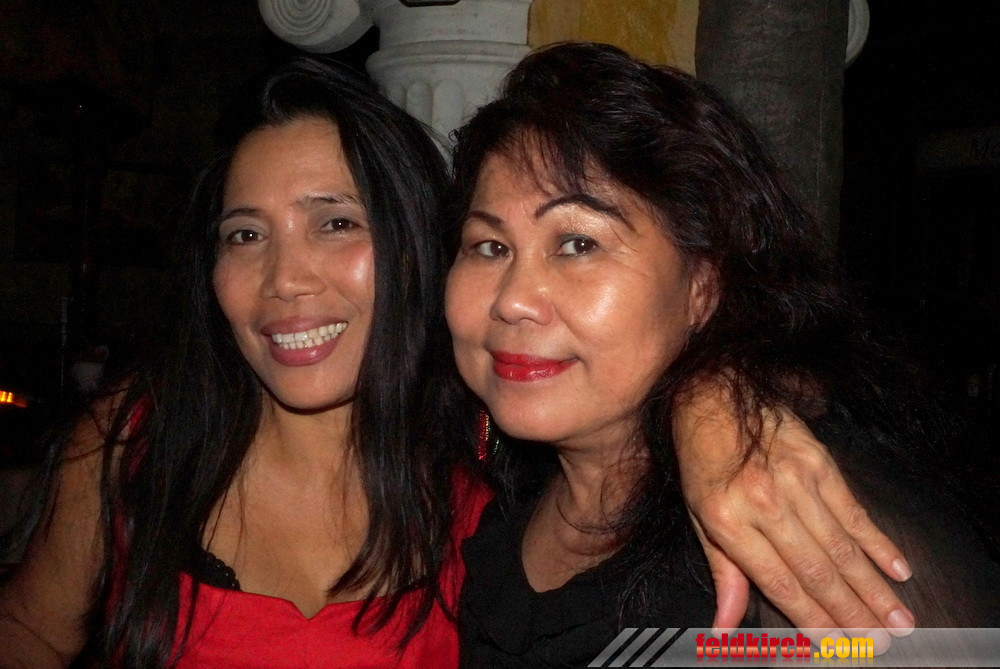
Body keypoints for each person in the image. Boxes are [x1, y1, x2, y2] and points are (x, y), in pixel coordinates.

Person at [0, 57, 916, 668]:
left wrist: (717, 397)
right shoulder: (137, 442)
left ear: (411, 248)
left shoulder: (480, 450)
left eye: (335, 222)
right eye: (245, 234)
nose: (285, 279)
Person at [445, 42, 1000, 668]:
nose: (513, 300)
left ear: (702, 289)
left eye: (577, 243)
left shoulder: (784, 520)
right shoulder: (494, 491)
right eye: (489, 247)